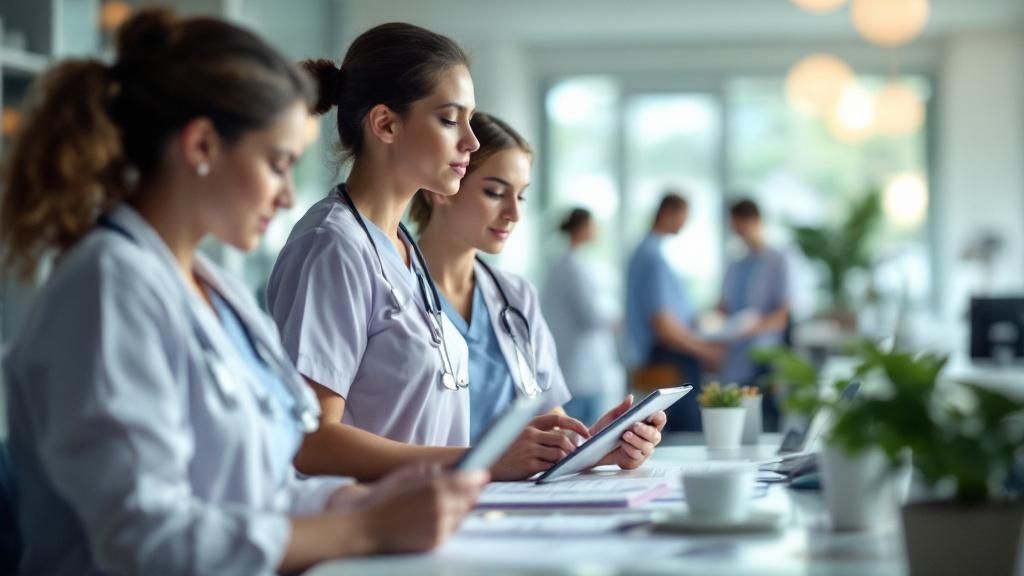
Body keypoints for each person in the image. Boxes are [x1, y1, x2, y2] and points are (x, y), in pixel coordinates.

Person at [0, 11, 485, 576]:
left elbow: (263, 485)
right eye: (277, 164)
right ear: (202, 145)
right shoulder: (107, 289)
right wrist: (362, 527)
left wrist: (352, 502)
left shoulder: (215, 290)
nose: (285, 197)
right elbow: (143, 540)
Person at [267, 25, 587, 482]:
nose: (471, 143)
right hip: (366, 533)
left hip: (426, 522)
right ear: (386, 124)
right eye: (450, 119)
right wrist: (477, 462)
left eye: (471, 120)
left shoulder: (402, 249)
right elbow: (309, 439)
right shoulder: (332, 246)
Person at [412, 113, 665, 475]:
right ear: (442, 185)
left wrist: (597, 446)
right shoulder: (394, 287)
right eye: (495, 192)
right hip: (420, 506)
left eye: (521, 196)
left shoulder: (515, 297)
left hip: (511, 510)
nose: (514, 212)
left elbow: (551, 421)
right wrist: (487, 463)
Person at [625, 193, 722, 432]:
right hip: (669, 359)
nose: (684, 224)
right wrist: (705, 350)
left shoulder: (647, 253)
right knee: (685, 434)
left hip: (661, 354)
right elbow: (664, 328)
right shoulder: (652, 259)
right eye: (682, 217)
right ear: (668, 213)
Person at [541, 208, 622, 425]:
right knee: (579, 433)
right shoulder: (572, 266)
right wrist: (616, 320)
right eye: (593, 224)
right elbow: (592, 316)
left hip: (577, 364)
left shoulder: (566, 263)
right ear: (582, 227)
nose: (597, 230)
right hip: (579, 368)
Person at [719, 198, 791, 431]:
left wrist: (750, 329)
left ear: (756, 221)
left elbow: (783, 314)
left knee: (767, 422)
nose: (738, 232)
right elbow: (724, 307)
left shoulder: (779, 260)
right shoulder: (736, 265)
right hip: (735, 358)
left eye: (741, 225)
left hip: (766, 356)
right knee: (740, 424)